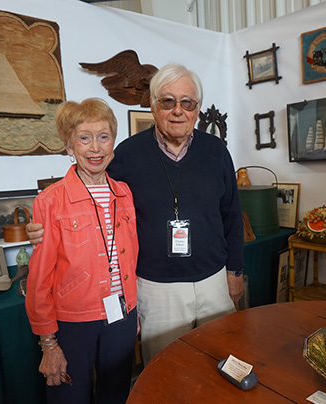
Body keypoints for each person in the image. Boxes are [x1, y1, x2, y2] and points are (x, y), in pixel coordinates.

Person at [28, 64, 244, 365]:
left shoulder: (217, 150)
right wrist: (43, 226)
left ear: (197, 109)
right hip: (157, 290)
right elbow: (92, 195)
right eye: (167, 101)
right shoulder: (126, 155)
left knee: (222, 362)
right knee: (167, 372)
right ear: (153, 106)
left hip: (214, 281)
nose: (178, 111)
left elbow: (232, 214)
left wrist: (235, 272)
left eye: (187, 103)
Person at [25, 98, 138, 404]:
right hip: (74, 323)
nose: (95, 148)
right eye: (84, 138)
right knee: (68, 397)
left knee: (116, 395)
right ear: (69, 146)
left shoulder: (124, 193)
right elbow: (39, 278)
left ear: (113, 143)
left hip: (122, 316)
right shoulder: (50, 201)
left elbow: (131, 255)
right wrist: (48, 343)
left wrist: (134, 308)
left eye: (103, 136)